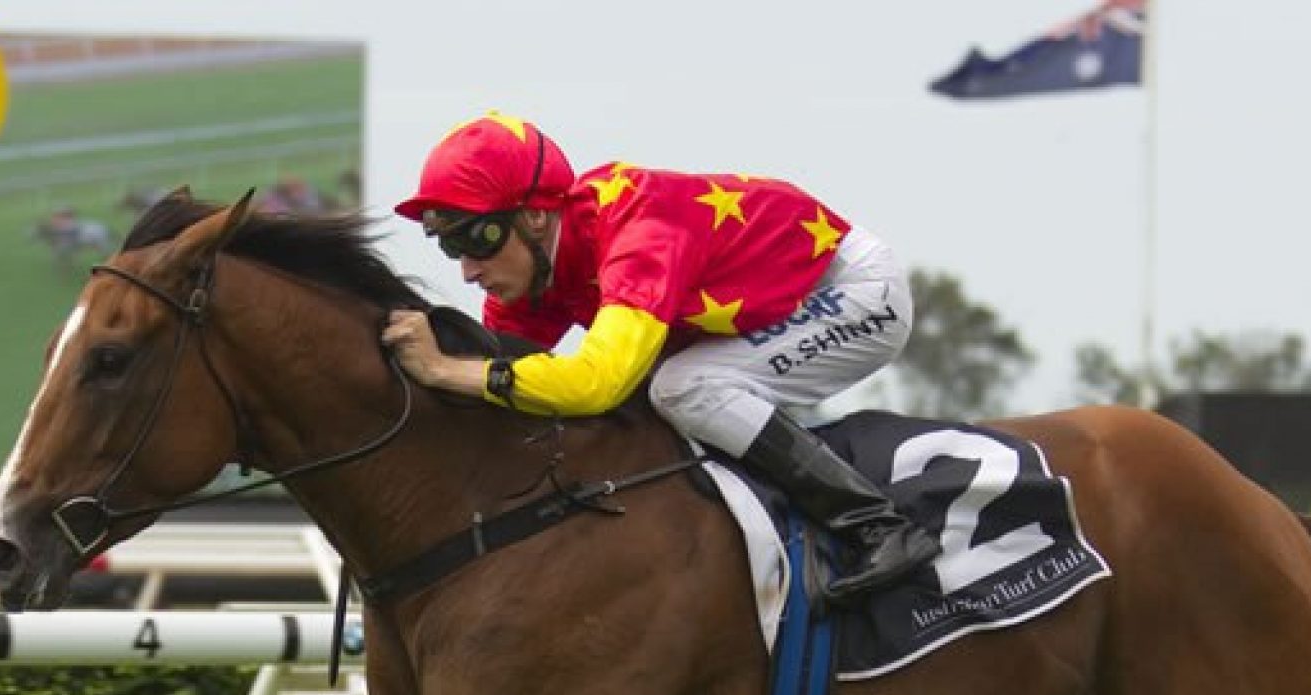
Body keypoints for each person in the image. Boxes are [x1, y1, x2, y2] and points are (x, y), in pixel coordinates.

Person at [381, 112, 939, 604]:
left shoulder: (640, 231)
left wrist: (447, 368)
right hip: (765, 306)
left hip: (852, 292)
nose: (468, 270)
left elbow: (593, 384)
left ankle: (877, 525)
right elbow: (498, 381)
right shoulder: (540, 268)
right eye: (451, 247)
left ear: (535, 217)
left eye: (477, 239)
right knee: (658, 390)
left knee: (681, 387)